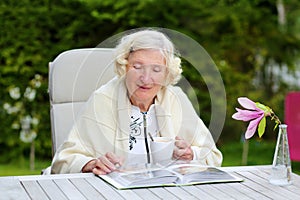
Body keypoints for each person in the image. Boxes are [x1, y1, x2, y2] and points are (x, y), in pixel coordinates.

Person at [51, 29, 222, 175]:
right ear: (124, 66)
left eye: (156, 69)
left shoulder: (176, 99)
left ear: (167, 73)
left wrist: (191, 155)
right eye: (137, 67)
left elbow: (213, 156)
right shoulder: (102, 99)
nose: (146, 79)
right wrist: (92, 164)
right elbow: (63, 161)